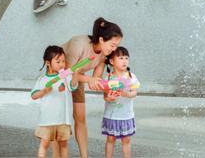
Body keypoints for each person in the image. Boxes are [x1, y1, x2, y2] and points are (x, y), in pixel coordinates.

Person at [61, 17, 123, 157]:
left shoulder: (103, 55)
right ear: (101, 40)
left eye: (117, 46)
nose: (114, 49)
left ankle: (84, 156)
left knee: (80, 117)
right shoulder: (79, 44)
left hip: (78, 77)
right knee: (59, 119)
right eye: (112, 45)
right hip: (59, 75)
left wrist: (111, 89)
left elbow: (96, 80)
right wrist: (89, 79)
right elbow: (68, 73)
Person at [31, 45, 81, 158]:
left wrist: (76, 74)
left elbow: (73, 86)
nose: (62, 64)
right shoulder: (42, 80)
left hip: (63, 120)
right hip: (46, 120)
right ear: (48, 62)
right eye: (58, 61)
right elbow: (34, 95)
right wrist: (43, 91)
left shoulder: (66, 77)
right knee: (44, 143)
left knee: (63, 144)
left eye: (63, 61)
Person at [102, 47, 140, 158]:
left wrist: (126, 94)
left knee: (126, 139)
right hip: (111, 115)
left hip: (126, 115)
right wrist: (109, 98)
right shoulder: (108, 77)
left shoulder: (131, 76)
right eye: (121, 58)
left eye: (126, 58)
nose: (124, 61)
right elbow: (105, 96)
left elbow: (134, 93)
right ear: (112, 61)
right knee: (110, 138)